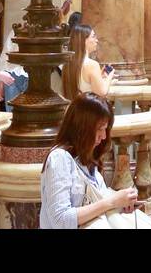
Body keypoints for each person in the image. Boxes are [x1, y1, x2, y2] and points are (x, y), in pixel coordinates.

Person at [40, 92, 140, 229]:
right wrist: (111, 202)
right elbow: (60, 221)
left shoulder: (89, 162)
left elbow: (97, 207)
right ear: (83, 127)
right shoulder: (59, 158)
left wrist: (120, 205)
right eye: (100, 129)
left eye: (105, 129)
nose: (104, 136)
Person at [64, 23, 115, 97]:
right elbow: (102, 92)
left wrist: (99, 76)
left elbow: (83, 84)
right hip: (88, 107)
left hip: (74, 107)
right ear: (83, 40)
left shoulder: (67, 63)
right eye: (93, 36)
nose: (96, 40)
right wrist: (110, 76)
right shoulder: (92, 65)